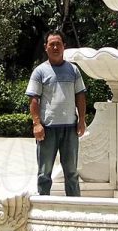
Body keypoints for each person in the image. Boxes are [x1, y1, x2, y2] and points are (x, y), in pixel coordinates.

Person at [26, 31, 87, 196]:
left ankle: (75, 208)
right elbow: (34, 99)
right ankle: (43, 208)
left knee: (72, 173)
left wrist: (82, 120)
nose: (55, 47)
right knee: (44, 173)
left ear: (64, 47)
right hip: (48, 129)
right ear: (46, 47)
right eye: (51, 44)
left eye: (58, 44)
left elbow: (80, 95)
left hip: (70, 129)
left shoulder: (73, 70)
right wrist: (37, 124)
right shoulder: (40, 72)